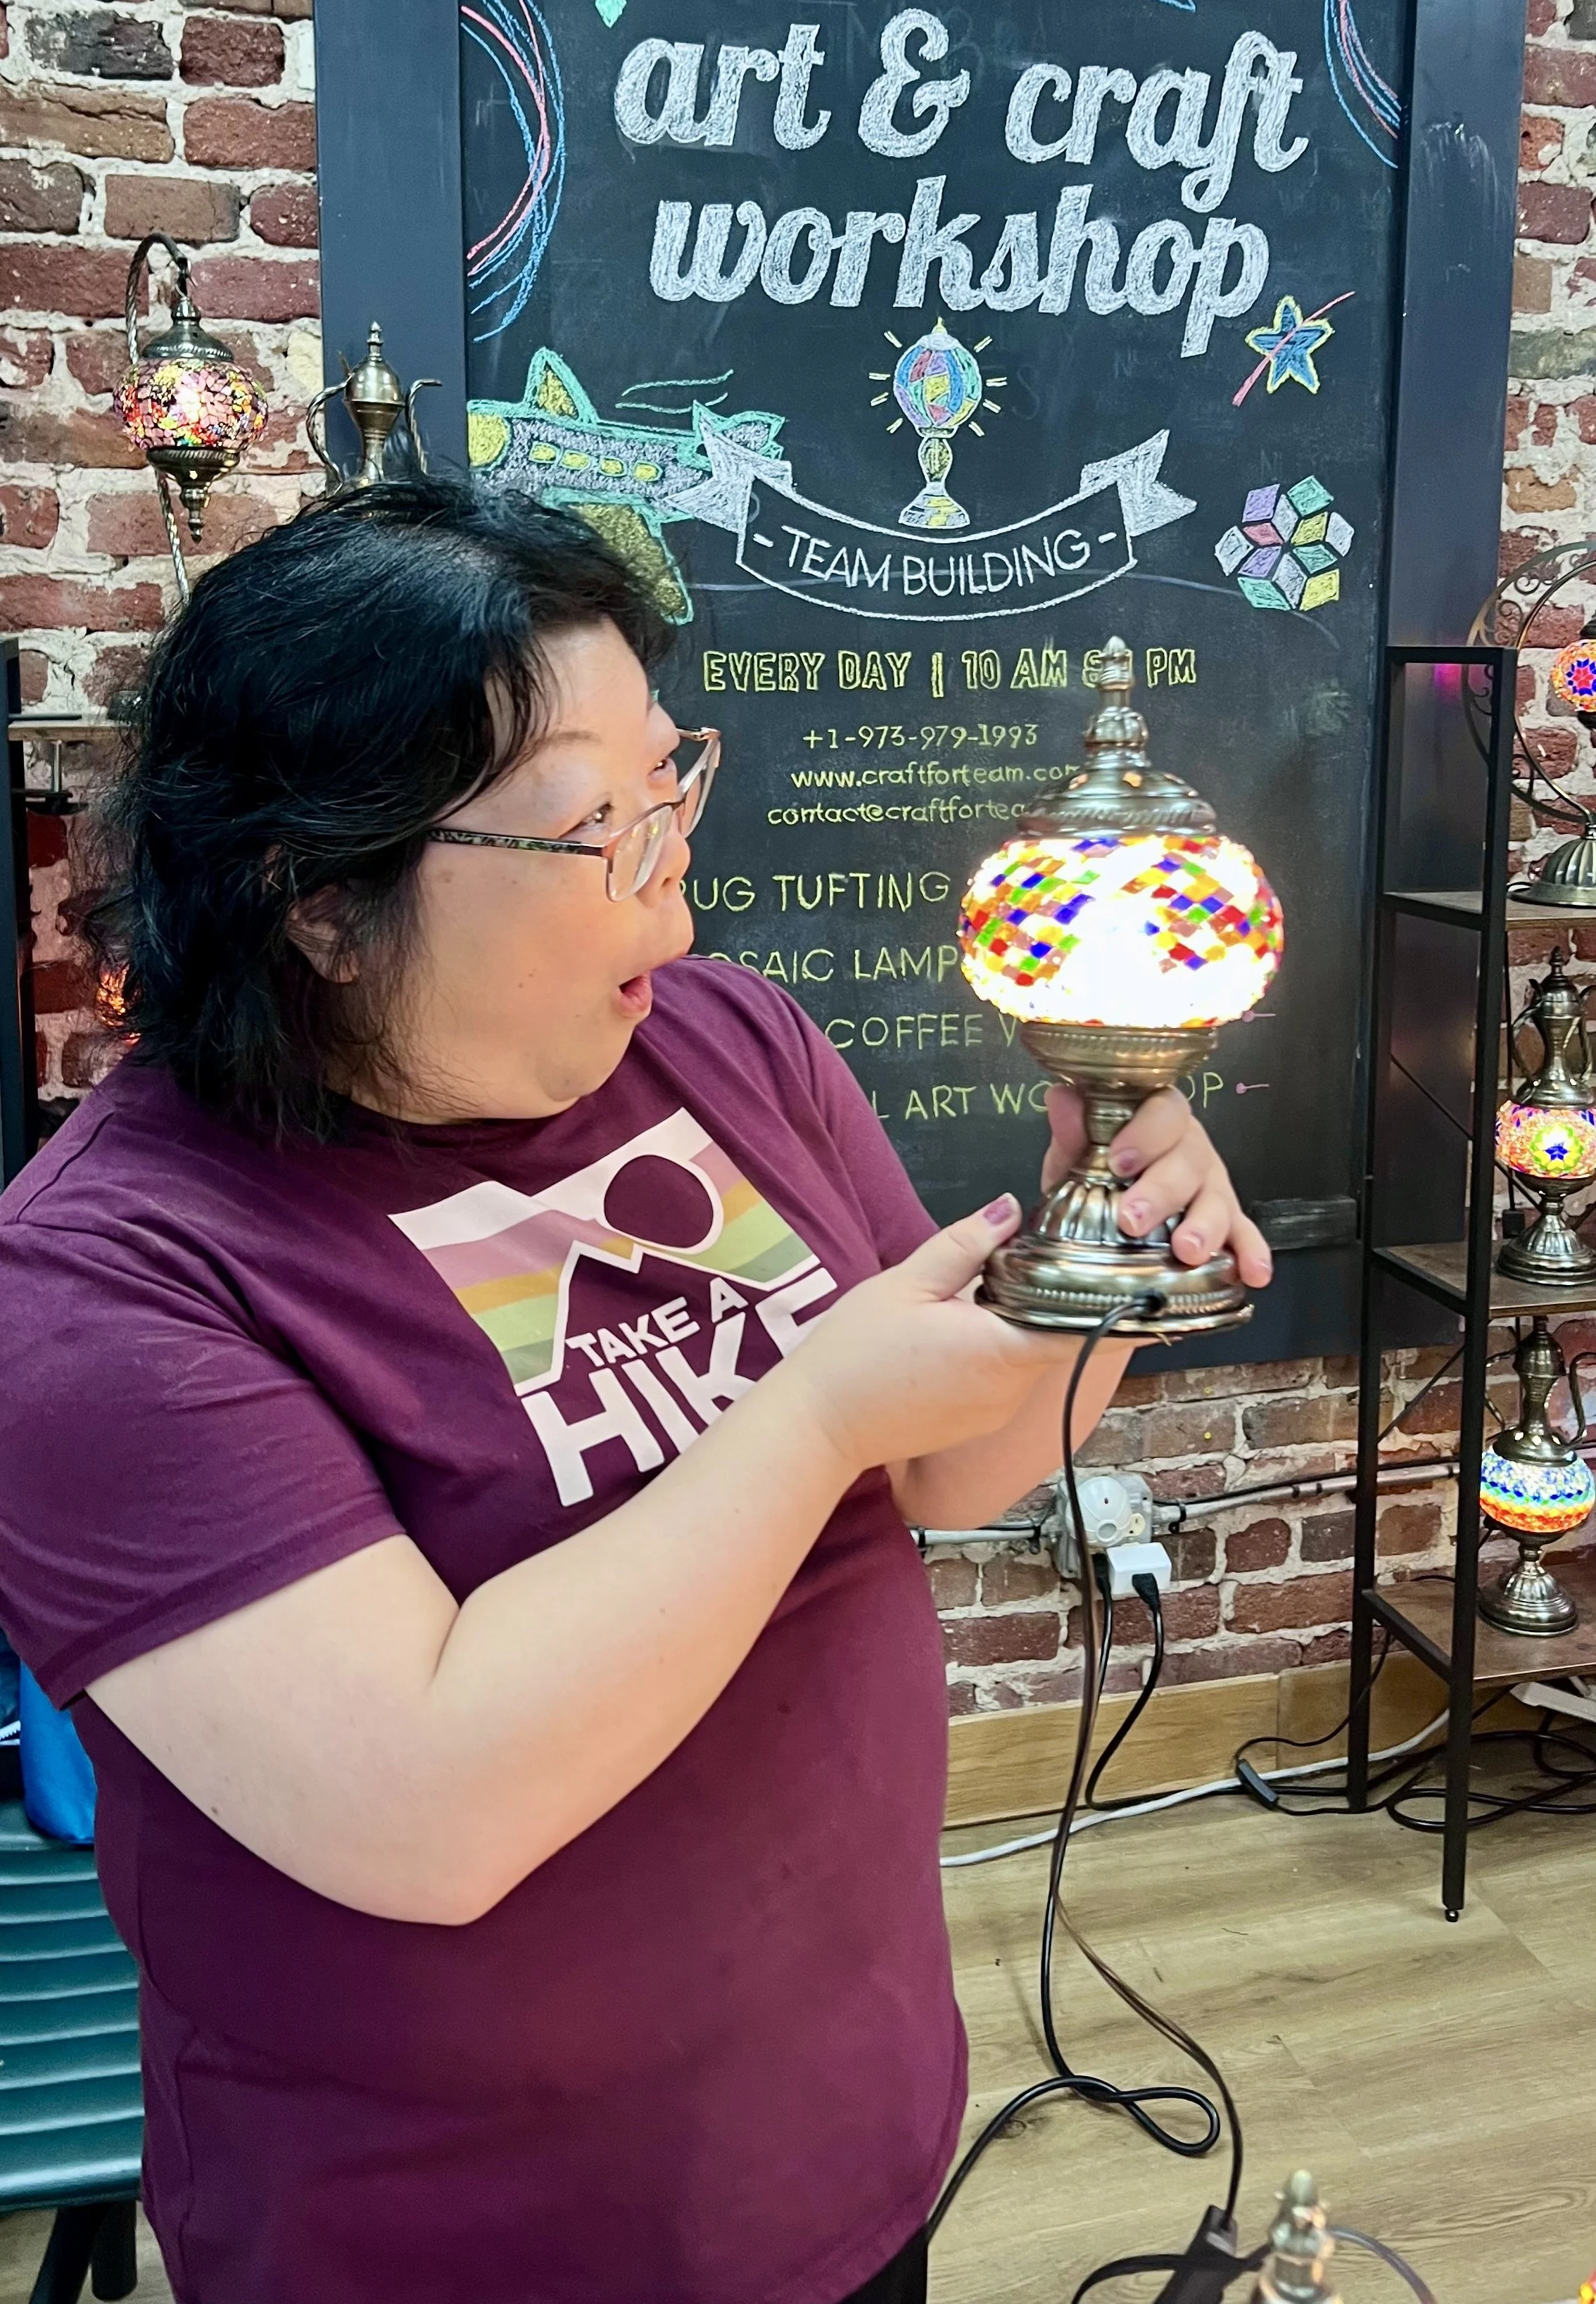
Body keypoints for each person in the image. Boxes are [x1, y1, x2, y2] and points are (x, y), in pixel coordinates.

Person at [0, 482, 1270, 2304]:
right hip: (450, 2240)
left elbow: (951, 1473)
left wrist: (1101, 1278)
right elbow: (421, 1807)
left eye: (669, 783)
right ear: (321, 903)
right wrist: (810, 1417)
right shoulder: (107, 1282)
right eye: (592, 824)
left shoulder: (733, 1040)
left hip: (833, 2135)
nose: (668, 876)